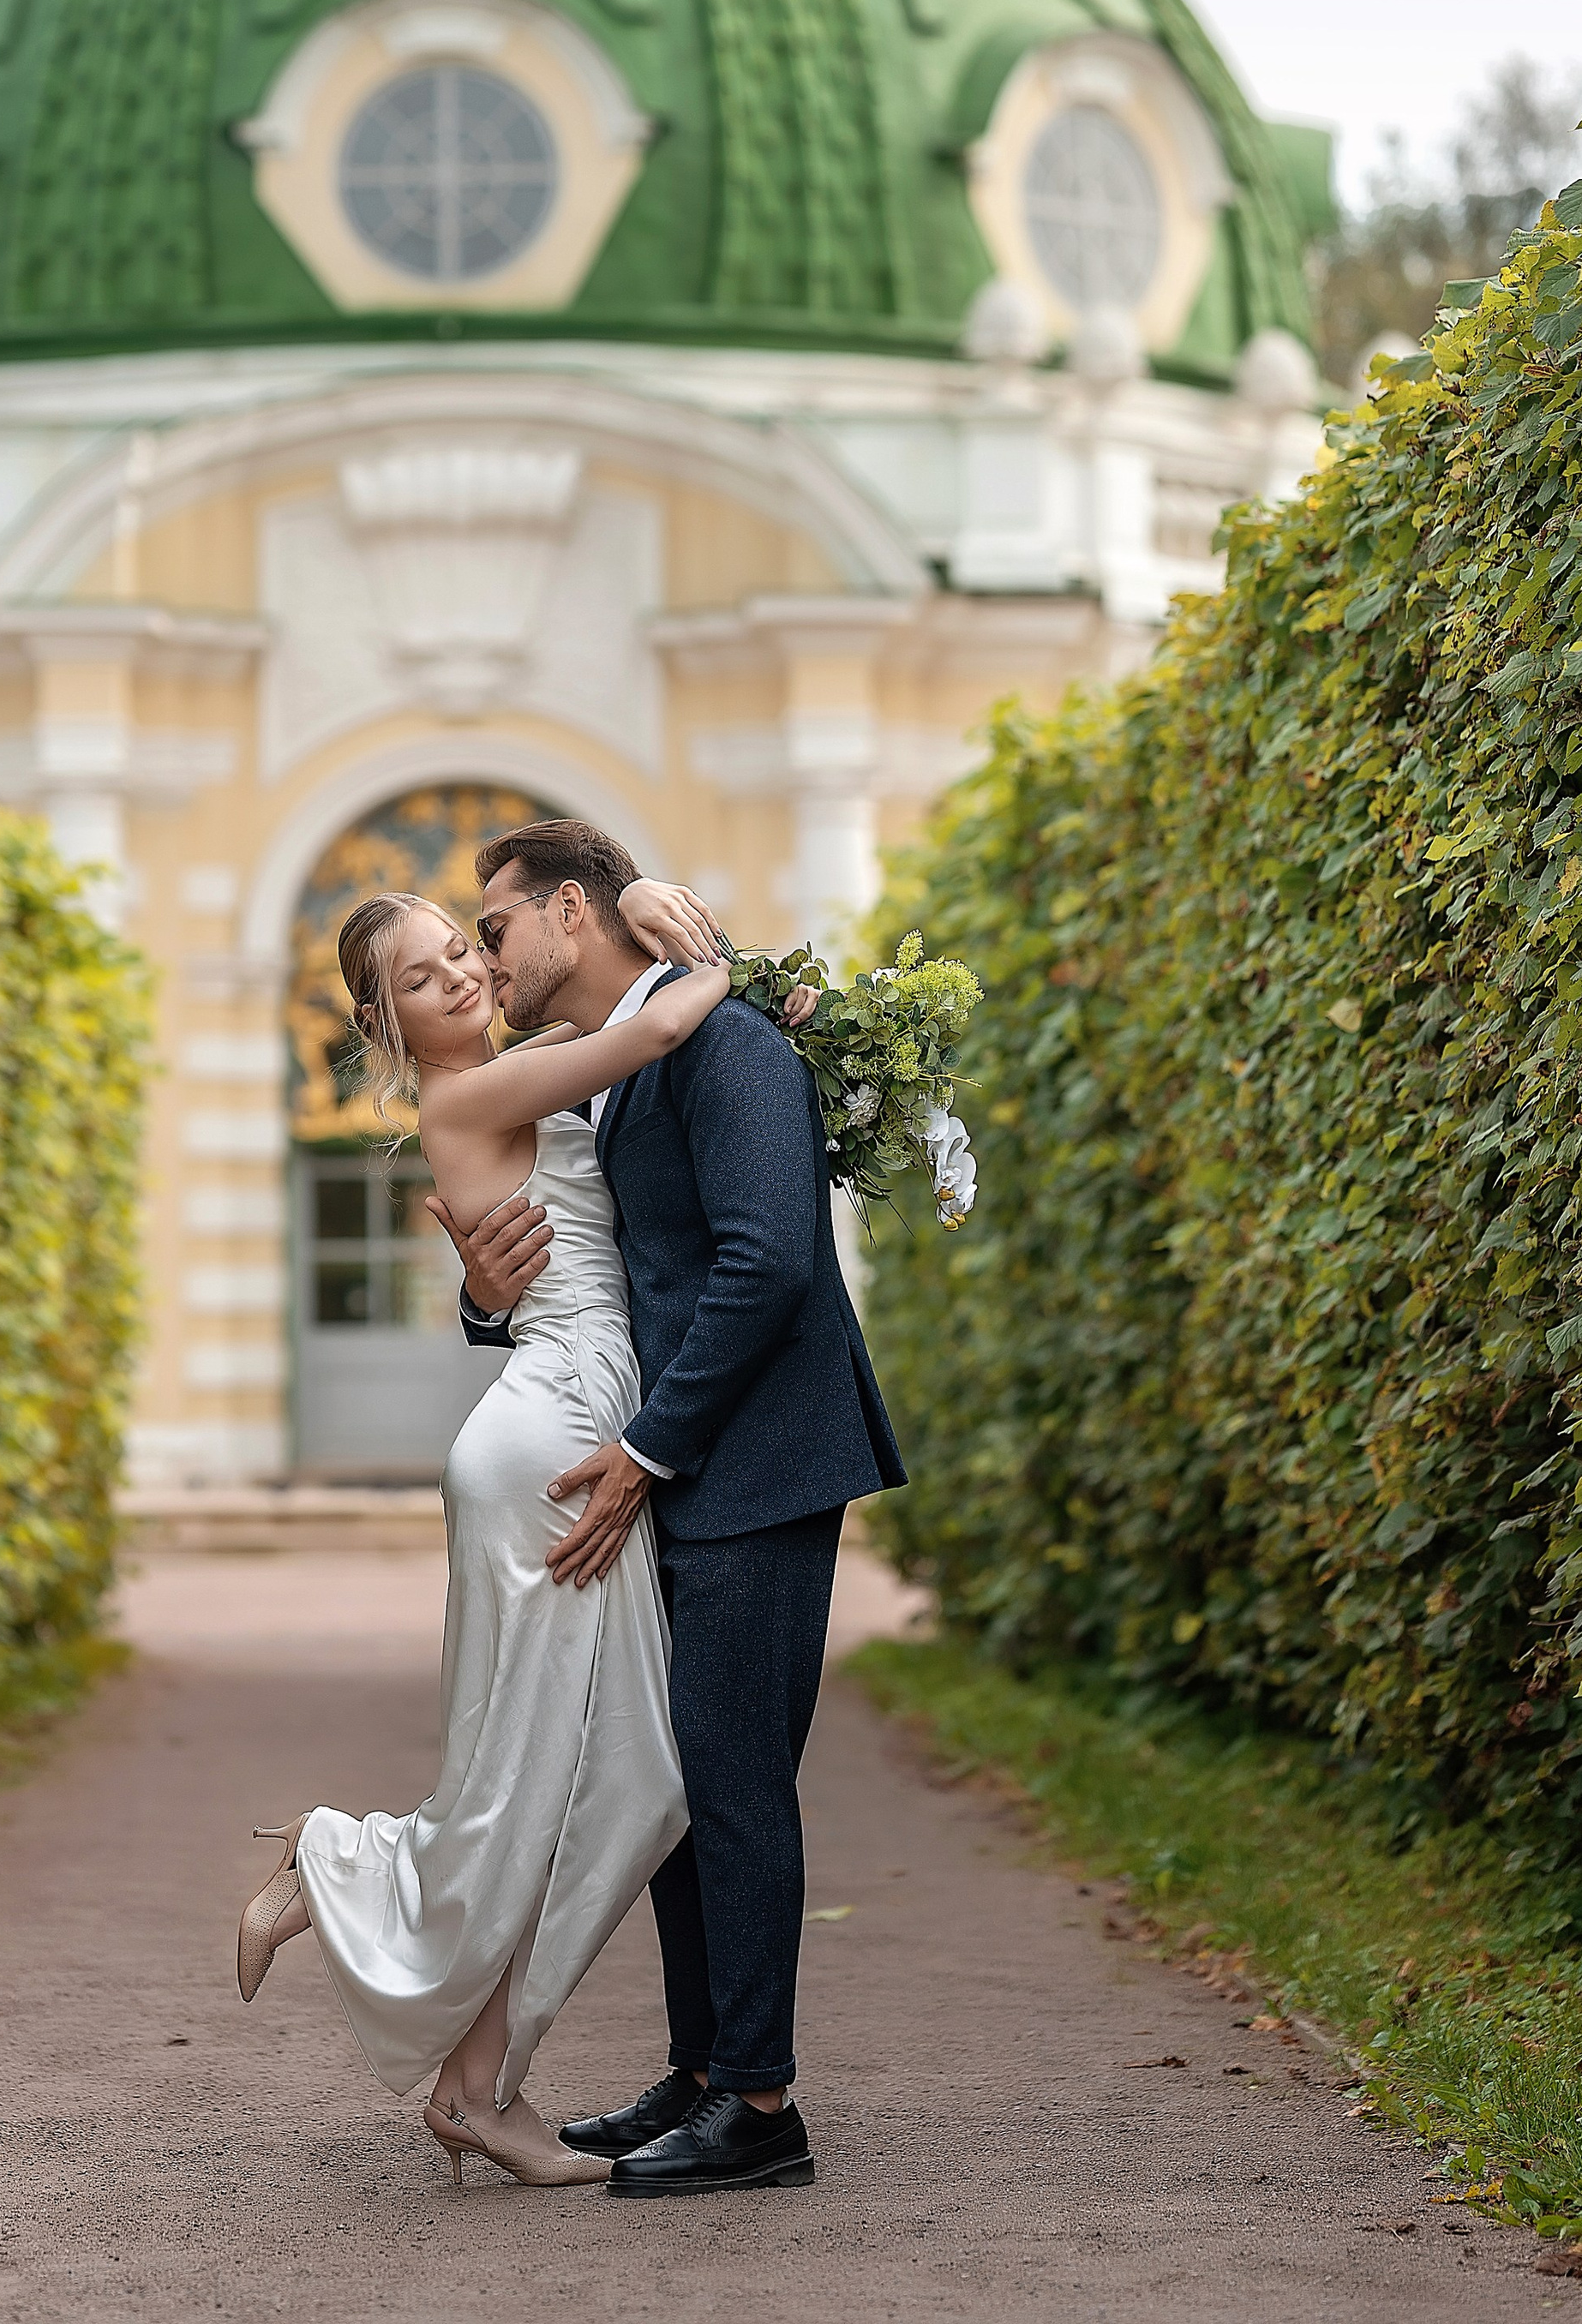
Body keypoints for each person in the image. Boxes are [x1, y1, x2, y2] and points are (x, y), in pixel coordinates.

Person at [234, 870, 756, 2189]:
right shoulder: (473, 1089)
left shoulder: (518, 1071)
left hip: (563, 1419)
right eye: (421, 977)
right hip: (551, 1441)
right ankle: (344, 1869)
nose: (461, 975)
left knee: (593, 1780)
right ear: (387, 1024)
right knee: (556, 1779)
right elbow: (644, 1034)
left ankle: (479, 2090)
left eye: (462, 950)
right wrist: (723, 961)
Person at [442, 818, 906, 2199]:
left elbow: (769, 1267)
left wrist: (645, 1452)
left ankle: (761, 2107)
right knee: (679, 1787)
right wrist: (486, 1292)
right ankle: (705, 2070)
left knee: (735, 1781)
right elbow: (592, 1275)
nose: (486, 961)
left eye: (499, 928)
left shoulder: (728, 1046)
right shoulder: (615, 1078)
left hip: (754, 1465)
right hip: (688, 1469)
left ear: (576, 911)